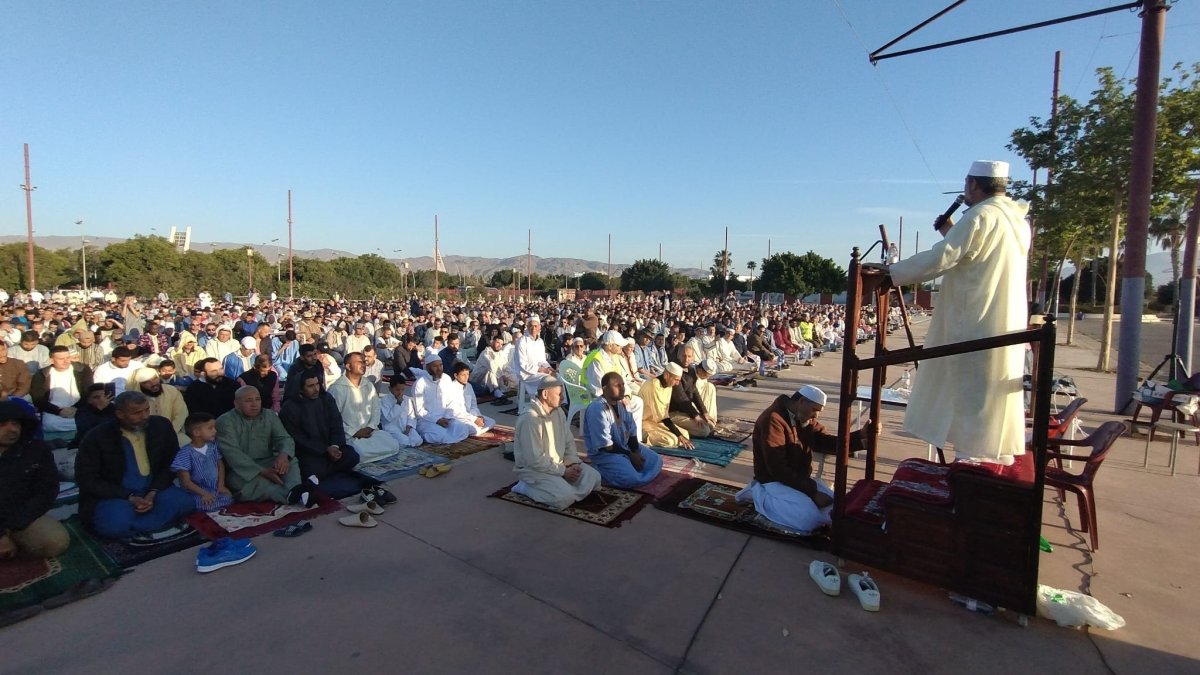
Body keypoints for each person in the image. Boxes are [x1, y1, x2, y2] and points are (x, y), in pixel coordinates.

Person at [880, 160, 1030, 465]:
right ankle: (993, 461)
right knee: (991, 398)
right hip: (1004, 321)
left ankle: (973, 471)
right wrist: (951, 232)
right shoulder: (1016, 219)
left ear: (973, 184)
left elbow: (945, 257)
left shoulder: (980, 216)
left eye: (966, 184)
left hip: (977, 323)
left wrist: (891, 273)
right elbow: (976, 258)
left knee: (972, 400)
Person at [736, 385, 871, 534]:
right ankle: (758, 495)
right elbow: (778, 469)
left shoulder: (803, 418)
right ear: (801, 402)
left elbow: (824, 441)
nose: (816, 416)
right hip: (773, 481)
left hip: (799, 480)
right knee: (809, 520)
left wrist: (859, 438)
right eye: (814, 410)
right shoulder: (772, 420)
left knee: (838, 509)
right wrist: (812, 493)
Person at [74, 392, 196, 540]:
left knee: (186, 503)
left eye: (146, 410)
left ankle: (139, 525)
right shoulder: (97, 437)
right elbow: (87, 479)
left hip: (154, 488)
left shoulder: (160, 426)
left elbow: (171, 462)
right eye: (137, 413)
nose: (144, 416)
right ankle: (148, 522)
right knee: (113, 526)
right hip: (117, 494)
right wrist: (129, 497)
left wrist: (153, 491)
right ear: (119, 414)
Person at [511, 376, 601, 510]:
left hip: (559, 464)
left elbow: (568, 441)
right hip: (534, 470)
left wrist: (573, 462)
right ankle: (525, 486)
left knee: (595, 478)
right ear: (545, 394)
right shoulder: (530, 419)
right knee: (565, 498)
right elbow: (535, 460)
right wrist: (564, 472)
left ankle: (563, 486)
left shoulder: (558, 412)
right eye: (559, 394)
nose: (563, 398)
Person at [0, 400, 69, 559]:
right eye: (3, 424)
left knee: (55, 542)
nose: (12, 430)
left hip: (20, 515)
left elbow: (47, 490)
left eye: (15, 424)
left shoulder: (37, 449)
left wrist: (13, 526)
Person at [217, 386, 307, 505]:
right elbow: (233, 454)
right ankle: (293, 494)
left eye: (257, 399)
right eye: (248, 400)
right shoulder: (225, 421)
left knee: (291, 460)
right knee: (239, 483)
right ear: (236, 403)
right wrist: (263, 472)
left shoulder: (269, 415)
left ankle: (295, 490)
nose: (254, 404)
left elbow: (284, 438)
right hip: (242, 470)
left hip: (268, 462)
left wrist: (283, 455)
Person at [280, 373, 363, 483]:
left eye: (317, 384)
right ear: (300, 389)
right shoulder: (290, 407)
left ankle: (327, 471)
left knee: (352, 456)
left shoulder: (326, 398)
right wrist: (324, 450)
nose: (316, 389)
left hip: (331, 448)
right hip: (309, 452)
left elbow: (336, 424)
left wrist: (335, 446)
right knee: (313, 469)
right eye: (310, 386)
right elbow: (297, 438)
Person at [584, 372, 662, 488]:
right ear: (605, 389)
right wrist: (630, 455)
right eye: (617, 386)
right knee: (632, 479)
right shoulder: (597, 409)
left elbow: (632, 431)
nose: (622, 389)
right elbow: (606, 446)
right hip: (605, 454)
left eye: (623, 385)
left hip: (626, 447)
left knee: (656, 461)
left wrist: (635, 451)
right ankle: (599, 470)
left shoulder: (624, 404)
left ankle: (628, 469)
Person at [328, 352, 399, 464]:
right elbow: (333, 419)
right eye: (359, 362)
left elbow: (376, 409)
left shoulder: (368, 385)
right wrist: (354, 432)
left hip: (369, 432)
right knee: (360, 452)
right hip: (349, 435)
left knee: (393, 444)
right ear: (348, 366)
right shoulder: (337, 388)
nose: (363, 365)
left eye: (364, 362)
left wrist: (370, 427)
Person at [582, 331, 645, 439]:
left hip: (615, 395)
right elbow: (598, 388)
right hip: (597, 397)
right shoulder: (596, 360)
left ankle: (634, 438)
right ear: (610, 346)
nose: (621, 347)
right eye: (618, 345)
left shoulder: (615, 357)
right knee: (629, 405)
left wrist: (626, 395)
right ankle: (624, 438)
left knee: (637, 402)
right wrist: (619, 398)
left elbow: (623, 380)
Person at [171, 412, 234, 512]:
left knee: (228, 498)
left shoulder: (212, 447)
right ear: (196, 433)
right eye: (210, 428)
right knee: (203, 504)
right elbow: (186, 482)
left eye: (214, 427)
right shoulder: (185, 453)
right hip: (196, 492)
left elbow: (220, 465)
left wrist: (221, 485)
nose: (215, 431)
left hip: (214, 488)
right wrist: (204, 494)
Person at [411, 352, 474, 444]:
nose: (439, 368)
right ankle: (444, 437)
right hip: (428, 420)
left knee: (464, 429)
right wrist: (437, 420)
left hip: (446, 418)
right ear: (427, 367)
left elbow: (451, 401)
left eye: (440, 365)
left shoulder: (446, 378)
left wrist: (448, 416)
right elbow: (420, 410)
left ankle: (448, 438)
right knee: (439, 436)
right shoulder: (420, 384)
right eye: (435, 366)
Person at [31, 345, 93, 434]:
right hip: (53, 411)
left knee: (89, 421)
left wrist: (76, 408)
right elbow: (38, 398)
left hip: (79, 408)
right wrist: (59, 411)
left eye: (68, 357)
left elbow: (88, 392)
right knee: (49, 424)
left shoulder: (83, 369)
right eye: (61, 359)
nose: (66, 361)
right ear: (51, 360)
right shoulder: (41, 374)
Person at [128, 366, 190, 447]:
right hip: (145, 438)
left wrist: (169, 433)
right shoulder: (135, 398)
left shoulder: (171, 391)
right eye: (146, 382)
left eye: (155, 378)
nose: (153, 383)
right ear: (140, 384)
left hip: (174, 433)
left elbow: (181, 414)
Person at [639, 363, 694, 449]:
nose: (677, 384)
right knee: (670, 440)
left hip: (656, 421)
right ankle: (641, 436)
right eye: (676, 380)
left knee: (685, 434)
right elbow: (663, 417)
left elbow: (664, 414)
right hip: (642, 422)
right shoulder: (653, 385)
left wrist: (680, 435)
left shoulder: (669, 386)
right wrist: (678, 435)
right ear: (667, 375)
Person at [445, 362, 496, 436]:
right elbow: (456, 412)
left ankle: (474, 431)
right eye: (463, 375)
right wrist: (474, 419)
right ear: (456, 375)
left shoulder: (469, 386)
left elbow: (473, 405)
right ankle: (474, 431)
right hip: (457, 418)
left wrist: (478, 416)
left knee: (491, 422)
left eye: (468, 374)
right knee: (473, 429)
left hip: (470, 416)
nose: (466, 377)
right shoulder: (451, 388)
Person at [513, 314, 554, 403]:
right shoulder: (522, 341)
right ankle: (543, 404)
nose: (533, 328)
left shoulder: (540, 341)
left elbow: (542, 360)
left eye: (536, 326)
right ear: (527, 327)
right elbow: (523, 364)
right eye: (531, 326)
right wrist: (542, 370)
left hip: (539, 371)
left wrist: (549, 368)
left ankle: (559, 404)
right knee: (547, 379)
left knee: (557, 377)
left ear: (539, 327)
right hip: (525, 373)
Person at [469, 334, 515, 404]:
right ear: (492, 342)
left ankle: (498, 391)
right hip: (479, 380)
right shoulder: (485, 353)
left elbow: (505, 366)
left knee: (514, 378)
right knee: (490, 371)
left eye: (501, 344)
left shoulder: (500, 354)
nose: (499, 345)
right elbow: (492, 365)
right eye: (497, 343)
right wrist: (502, 376)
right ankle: (498, 394)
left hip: (494, 379)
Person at [380, 378, 423, 447]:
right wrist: (398, 404)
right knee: (404, 442)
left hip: (405, 428)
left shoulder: (406, 399)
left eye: (402, 389)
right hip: (392, 428)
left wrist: (409, 427)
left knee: (418, 440)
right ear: (390, 389)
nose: (400, 392)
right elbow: (389, 418)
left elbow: (411, 415)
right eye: (397, 390)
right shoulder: (385, 400)